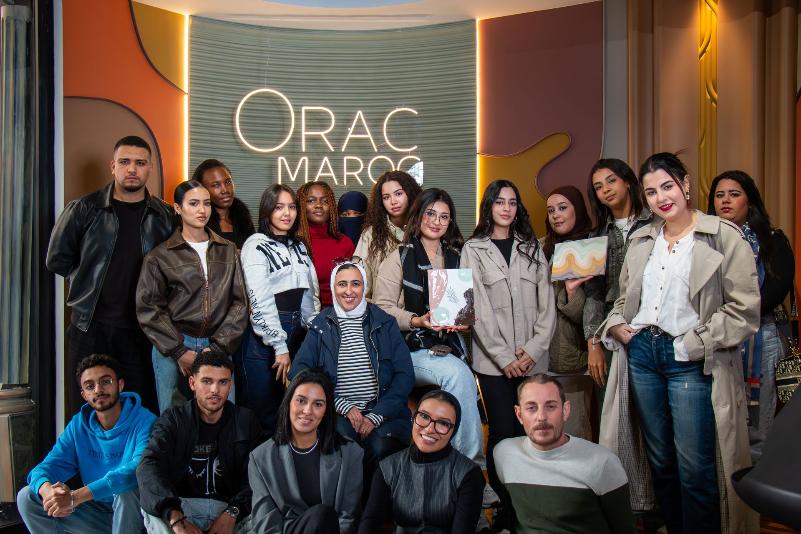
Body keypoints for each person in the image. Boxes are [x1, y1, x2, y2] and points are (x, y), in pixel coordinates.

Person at [601, 153, 760, 533]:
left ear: (686, 184)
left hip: (690, 358)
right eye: (651, 192)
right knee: (662, 464)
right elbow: (625, 298)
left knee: (695, 468)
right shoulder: (643, 239)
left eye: (667, 186)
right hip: (642, 355)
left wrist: (696, 342)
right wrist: (617, 323)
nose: (661, 198)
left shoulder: (722, 235)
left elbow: (745, 309)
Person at [46, 135, 175, 414]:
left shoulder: (164, 216)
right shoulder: (84, 208)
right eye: (125, 162)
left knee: (140, 409)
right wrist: (88, 284)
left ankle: (134, 460)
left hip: (143, 329)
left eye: (140, 163)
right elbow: (57, 260)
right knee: (86, 409)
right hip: (91, 326)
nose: (132, 169)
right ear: (112, 166)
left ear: (149, 168)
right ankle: (85, 458)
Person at [374, 188, 483, 463]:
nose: (436, 221)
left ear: (450, 223)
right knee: (458, 375)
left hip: (448, 345)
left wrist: (464, 322)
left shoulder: (458, 258)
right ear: (419, 216)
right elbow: (381, 309)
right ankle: (469, 464)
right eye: (431, 213)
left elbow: (464, 311)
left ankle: (451, 462)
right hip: (409, 349)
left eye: (444, 217)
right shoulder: (398, 257)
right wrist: (416, 320)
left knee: (462, 373)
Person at [460, 179, 555, 496]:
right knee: (503, 432)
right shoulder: (473, 249)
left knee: (535, 431)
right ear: (489, 206)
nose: (506, 208)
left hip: (533, 359)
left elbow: (547, 304)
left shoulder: (531, 246)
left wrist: (532, 350)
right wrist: (504, 357)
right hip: (493, 364)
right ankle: (503, 503)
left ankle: (533, 499)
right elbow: (476, 310)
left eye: (512, 202)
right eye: (500, 202)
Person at [291, 259, 415, 482]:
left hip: (381, 410)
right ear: (333, 287)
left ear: (364, 286)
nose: (349, 291)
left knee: (380, 448)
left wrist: (377, 415)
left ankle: (371, 512)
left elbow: (405, 375)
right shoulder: (322, 323)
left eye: (355, 284)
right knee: (344, 447)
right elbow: (299, 371)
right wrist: (340, 404)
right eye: (342, 284)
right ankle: (345, 511)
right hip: (338, 410)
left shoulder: (384, 322)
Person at [136, 180, 248, 413]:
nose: (202, 210)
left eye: (206, 204)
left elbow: (239, 302)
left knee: (222, 413)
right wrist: (178, 351)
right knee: (173, 416)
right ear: (178, 208)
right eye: (193, 203)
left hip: (217, 342)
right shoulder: (160, 256)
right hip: (174, 343)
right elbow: (148, 308)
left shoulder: (227, 250)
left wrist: (218, 346)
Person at [709, 169, 795, 461]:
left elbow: (774, 291)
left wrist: (730, 312)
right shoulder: (702, 244)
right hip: (716, 337)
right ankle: (727, 499)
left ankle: (753, 497)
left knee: (758, 425)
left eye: (734, 194)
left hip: (762, 335)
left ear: (750, 201)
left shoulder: (772, 241)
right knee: (720, 421)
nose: (726, 201)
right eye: (719, 195)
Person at [17, 354, 155, 534]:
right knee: (27, 497)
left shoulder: (146, 421)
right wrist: (49, 492)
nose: (98, 390)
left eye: (106, 382)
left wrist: (75, 497)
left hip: (137, 517)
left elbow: (135, 472)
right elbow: (43, 469)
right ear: (83, 394)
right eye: (90, 386)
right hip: (94, 515)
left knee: (126, 491)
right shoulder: (79, 425)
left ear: (120, 385)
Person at [137, 351, 265, 533]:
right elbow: (149, 466)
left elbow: (258, 475)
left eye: (223, 382)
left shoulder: (246, 420)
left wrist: (233, 512)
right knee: (151, 508)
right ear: (192, 383)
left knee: (266, 512)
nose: (215, 390)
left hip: (229, 509)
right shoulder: (174, 418)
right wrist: (174, 516)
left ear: (230, 385)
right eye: (207, 381)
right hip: (183, 507)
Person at [494, 374, 635, 534]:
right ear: (519, 414)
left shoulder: (603, 463)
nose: (541, 417)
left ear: (565, 410)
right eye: (531, 408)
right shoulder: (504, 454)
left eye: (551, 406)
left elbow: (624, 528)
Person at [239, 184, 320, 434]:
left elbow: (309, 294)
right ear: (267, 211)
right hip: (265, 335)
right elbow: (259, 299)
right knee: (263, 410)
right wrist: (279, 345)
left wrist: (315, 329)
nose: (287, 213)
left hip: (297, 331)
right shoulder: (255, 244)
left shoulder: (299, 246)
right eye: (279, 207)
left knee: (291, 410)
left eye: (292, 207)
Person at [249, 369, 364, 534]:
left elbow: (348, 517)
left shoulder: (350, 453)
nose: (308, 411)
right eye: (301, 401)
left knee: (322, 516)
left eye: (318, 404)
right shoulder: (260, 457)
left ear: (325, 411)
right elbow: (266, 521)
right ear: (288, 402)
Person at [359, 390, 484, 534]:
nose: (430, 429)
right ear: (413, 417)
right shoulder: (388, 467)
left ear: (453, 431)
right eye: (424, 416)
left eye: (443, 423)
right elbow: (370, 521)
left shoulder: (468, 473)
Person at [584, 159, 652, 398]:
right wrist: (593, 343)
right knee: (612, 413)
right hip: (610, 331)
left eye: (611, 181)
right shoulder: (597, 236)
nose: (606, 189)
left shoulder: (656, 225)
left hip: (650, 327)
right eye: (598, 187)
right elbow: (593, 293)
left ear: (627, 182)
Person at [542, 185, 594, 440]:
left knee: (573, 432)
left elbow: (590, 317)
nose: (556, 215)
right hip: (539, 356)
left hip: (571, 357)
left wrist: (572, 293)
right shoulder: (542, 248)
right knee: (541, 433)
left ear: (578, 209)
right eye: (551, 210)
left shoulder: (591, 249)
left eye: (563, 208)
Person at [355, 170, 422, 301]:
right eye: (386, 197)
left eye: (398, 194)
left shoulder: (426, 231)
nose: (393, 201)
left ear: (410, 193)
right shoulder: (371, 234)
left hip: (421, 317)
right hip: (381, 315)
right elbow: (360, 282)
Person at [296, 181, 355, 308]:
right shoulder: (294, 243)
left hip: (342, 315)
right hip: (303, 319)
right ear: (301, 206)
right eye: (311, 201)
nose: (318, 205)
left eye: (325, 201)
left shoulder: (345, 243)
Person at [192, 158, 255, 249]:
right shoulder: (198, 221)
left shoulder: (243, 218)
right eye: (216, 185)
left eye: (228, 182)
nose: (225, 190)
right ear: (202, 189)